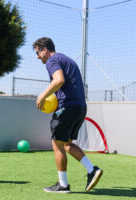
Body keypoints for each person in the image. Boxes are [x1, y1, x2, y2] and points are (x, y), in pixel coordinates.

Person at [33, 37, 103, 193]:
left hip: (67, 107)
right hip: (80, 107)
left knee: (57, 145)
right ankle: (92, 170)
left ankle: (63, 185)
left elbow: (59, 80)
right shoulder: (67, 59)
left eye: (38, 52)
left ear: (45, 49)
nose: (37, 56)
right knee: (66, 144)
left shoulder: (52, 60)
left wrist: (42, 96)